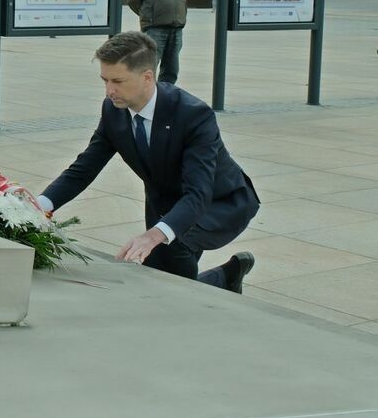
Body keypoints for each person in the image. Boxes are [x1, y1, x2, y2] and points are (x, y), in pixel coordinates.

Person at [37, 31, 258, 293]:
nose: (109, 91)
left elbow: (198, 193)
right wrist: (37, 206)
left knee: (170, 252)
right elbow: (84, 169)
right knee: (161, 278)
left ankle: (205, 292)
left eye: (118, 81)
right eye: (105, 80)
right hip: (165, 201)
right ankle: (226, 276)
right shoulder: (114, 111)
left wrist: (154, 234)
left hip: (218, 201)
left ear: (147, 77)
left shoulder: (193, 114)